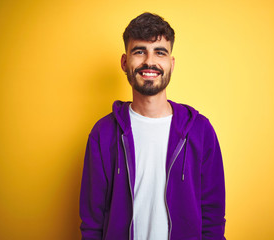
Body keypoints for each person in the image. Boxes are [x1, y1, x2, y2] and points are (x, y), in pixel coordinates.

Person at [79, 12, 226, 240]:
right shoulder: (103, 134)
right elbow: (92, 222)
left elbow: (213, 219)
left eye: (160, 52)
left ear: (171, 63)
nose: (150, 61)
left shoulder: (200, 131)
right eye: (139, 51)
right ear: (125, 62)